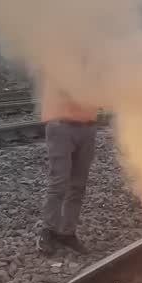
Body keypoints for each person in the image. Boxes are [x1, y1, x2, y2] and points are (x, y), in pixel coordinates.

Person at [37, 80, 99, 255]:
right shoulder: (61, 58)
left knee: (78, 186)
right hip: (61, 126)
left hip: (87, 127)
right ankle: (48, 232)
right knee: (59, 182)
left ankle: (67, 233)